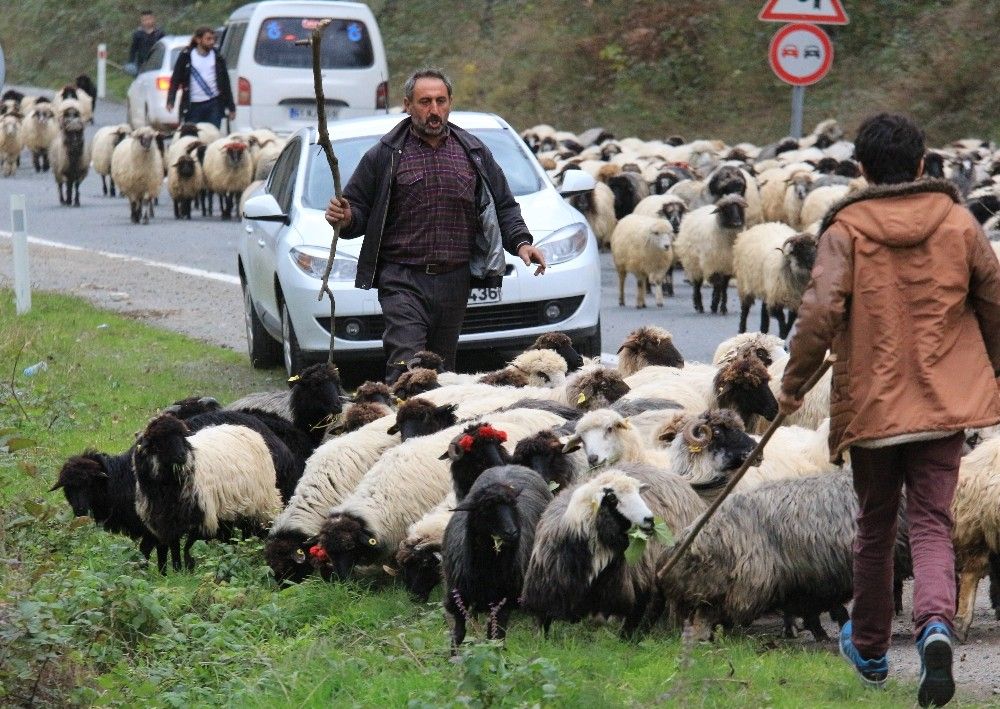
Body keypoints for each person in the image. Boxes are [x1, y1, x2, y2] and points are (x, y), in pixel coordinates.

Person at [778, 113, 1000, 707]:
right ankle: (934, 625)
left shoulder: (846, 229)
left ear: (861, 170)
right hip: (943, 402)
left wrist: (793, 385)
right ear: (925, 163)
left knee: (875, 525)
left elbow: (819, 311)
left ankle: (872, 647)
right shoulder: (958, 223)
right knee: (933, 522)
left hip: (874, 405)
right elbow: (994, 299)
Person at [324, 68, 547, 383]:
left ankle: (433, 429)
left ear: (450, 103)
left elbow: (503, 205)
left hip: (454, 280)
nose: (434, 110)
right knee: (407, 366)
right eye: (425, 102)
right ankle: (398, 424)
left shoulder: (473, 153)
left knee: (442, 373)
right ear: (407, 105)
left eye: (440, 101)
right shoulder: (384, 155)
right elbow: (357, 209)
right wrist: (345, 218)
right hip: (402, 278)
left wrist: (522, 243)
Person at [166, 27, 235, 129]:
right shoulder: (186, 56)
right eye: (208, 39)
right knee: (192, 136)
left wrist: (231, 107)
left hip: (213, 104)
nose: (212, 42)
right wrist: (171, 100)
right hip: (193, 105)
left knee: (212, 134)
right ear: (198, 40)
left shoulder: (217, 57)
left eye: (213, 39)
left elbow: (225, 83)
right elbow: (176, 79)